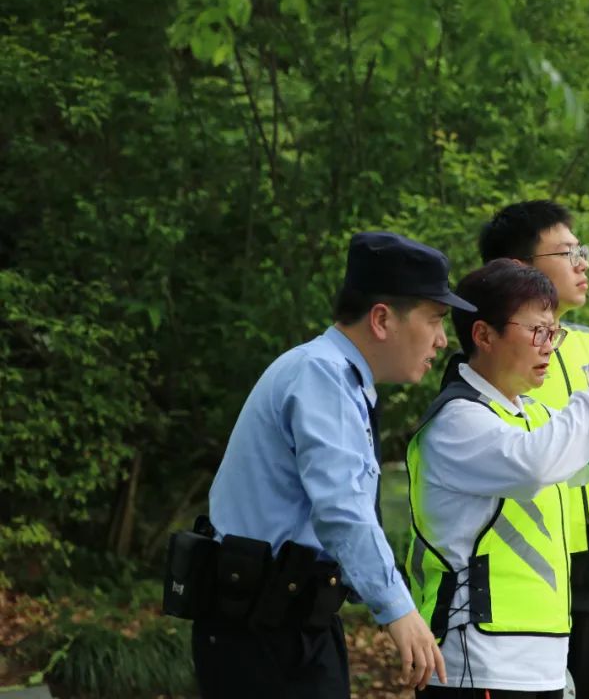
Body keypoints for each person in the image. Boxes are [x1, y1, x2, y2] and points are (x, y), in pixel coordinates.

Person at [193, 232, 467, 698]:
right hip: (261, 632)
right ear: (381, 319)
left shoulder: (342, 381)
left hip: (292, 623)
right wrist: (397, 608)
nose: (443, 339)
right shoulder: (320, 375)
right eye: (435, 319)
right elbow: (342, 510)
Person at [405, 259, 589, 698]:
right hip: (479, 665)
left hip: (540, 664)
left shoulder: (534, 419)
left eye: (554, 333)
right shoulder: (459, 421)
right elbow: (536, 465)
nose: (550, 347)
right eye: (537, 332)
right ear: (484, 335)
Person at [478, 200, 589, 699]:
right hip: (538, 585)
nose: (583, 263)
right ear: (519, 270)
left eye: (583, 249)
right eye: (567, 252)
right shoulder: (503, 360)